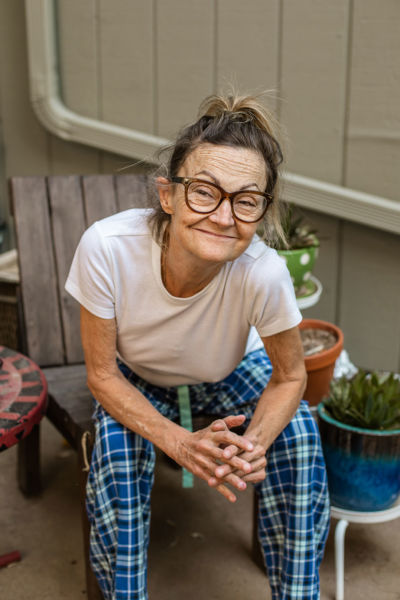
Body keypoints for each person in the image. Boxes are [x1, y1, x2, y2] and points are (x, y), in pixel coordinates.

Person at [65, 92, 330, 600]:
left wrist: (253, 445)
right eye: (204, 192)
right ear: (167, 194)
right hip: (137, 376)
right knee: (116, 459)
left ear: (261, 210)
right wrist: (180, 443)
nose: (224, 216)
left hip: (233, 369)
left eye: (245, 200)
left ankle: (297, 593)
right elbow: (101, 374)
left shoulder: (264, 273)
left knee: (297, 437)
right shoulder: (108, 247)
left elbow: (291, 376)